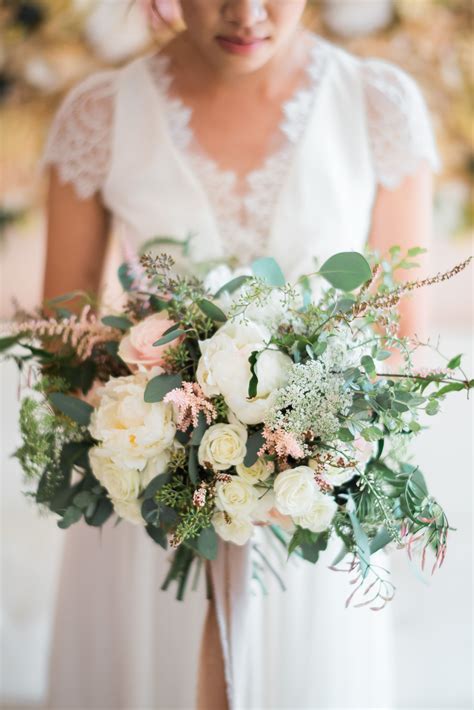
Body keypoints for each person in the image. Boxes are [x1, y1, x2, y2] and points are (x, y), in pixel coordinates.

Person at [41, 1, 442, 708]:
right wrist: (169, 441)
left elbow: (402, 341)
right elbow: (61, 341)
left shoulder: (378, 106)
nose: (245, 13)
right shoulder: (100, 114)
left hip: (309, 514)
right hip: (151, 508)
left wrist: (294, 459)